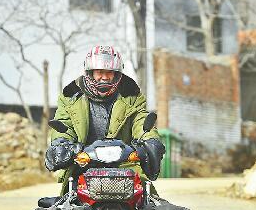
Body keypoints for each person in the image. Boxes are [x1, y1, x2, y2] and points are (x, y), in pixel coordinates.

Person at [44, 45, 166, 197]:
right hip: (83, 162)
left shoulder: (132, 94)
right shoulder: (70, 96)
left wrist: (150, 140)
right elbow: (63, 123)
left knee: (149, 203)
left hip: (125, 163)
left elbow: (140, 120)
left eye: (109, 72)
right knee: (66, 209)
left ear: (117, 74)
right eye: (99, 72)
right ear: (90, 73)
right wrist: (61, 143)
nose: (105, 77)